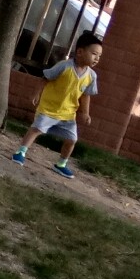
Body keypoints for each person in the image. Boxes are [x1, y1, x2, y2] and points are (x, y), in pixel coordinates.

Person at [13, 31, 103, 177]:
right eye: (94, 54)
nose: (97, 58)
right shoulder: (64, 66)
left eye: (99, 56)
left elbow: (86, 95)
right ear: (80, 52)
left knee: (72, 139)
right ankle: (20, 152)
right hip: (49, 108)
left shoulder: (92, 76)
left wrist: (85, 113)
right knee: (36, 129)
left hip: (68, 114)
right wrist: (36, 94)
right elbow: (45, 78)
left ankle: (61, 164)